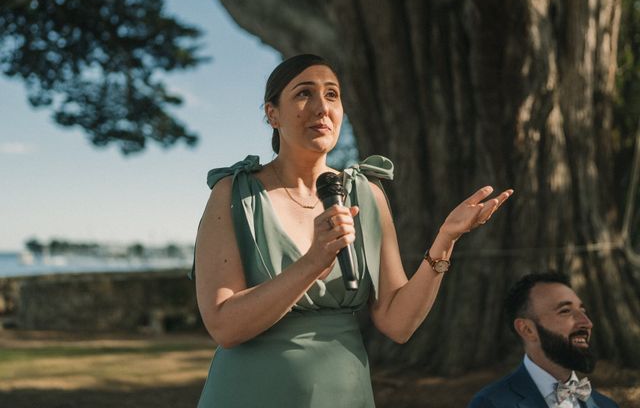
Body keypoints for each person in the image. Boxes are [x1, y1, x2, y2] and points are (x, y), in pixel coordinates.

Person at [194, 54, 513, 407]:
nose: (321, 107)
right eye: (304, 94)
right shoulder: (234, 194)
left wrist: (445, 240)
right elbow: (224, 326)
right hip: (250, 394)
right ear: (273, 114)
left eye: (332, 95)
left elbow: (397, 322)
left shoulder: (367, 194)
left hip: (344, 394)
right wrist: (313, 263)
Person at [468, 272, 619, 408]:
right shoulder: (490, 404)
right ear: (527, 330)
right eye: (565, 311)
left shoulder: (607, 405)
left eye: (582, 311)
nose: (587, 323)